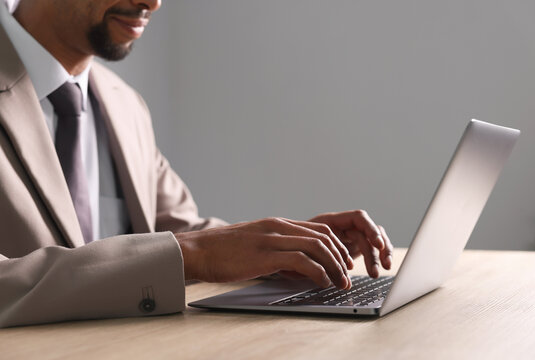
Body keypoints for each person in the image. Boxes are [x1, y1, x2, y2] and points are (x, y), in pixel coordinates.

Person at [0, 0, 393, 328]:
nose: (153, 3)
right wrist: (196, 253)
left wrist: (286, 248)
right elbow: (189, 249)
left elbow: (179, 230)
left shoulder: (123, 103)